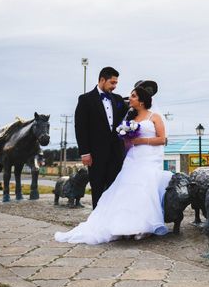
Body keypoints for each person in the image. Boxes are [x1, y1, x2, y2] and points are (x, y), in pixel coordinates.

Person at [55, 80, 172, 244]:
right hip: (133, 157)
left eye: (133, 96)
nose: (129, 99)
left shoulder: (155, 117)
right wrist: (126, 138)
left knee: (144, 188)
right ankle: (122, 225)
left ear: (142, 100)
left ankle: (143, 226)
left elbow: (161, 139)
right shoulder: (131, 118)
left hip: (149, 158)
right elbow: (127, 142)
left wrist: (141, 141)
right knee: (126, 188)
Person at [74, 67, 129, 209]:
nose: (114, 86)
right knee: (97, 187)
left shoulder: (117, 99)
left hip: (116, 153)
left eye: (116, 83)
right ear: (102, 80)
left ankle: (111, 220)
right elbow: (80, 127)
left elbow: (129, 114)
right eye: (112, 82)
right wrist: (85, 153)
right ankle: (97, 221)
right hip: (95, 154)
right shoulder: (85, 99)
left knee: (114, 187)